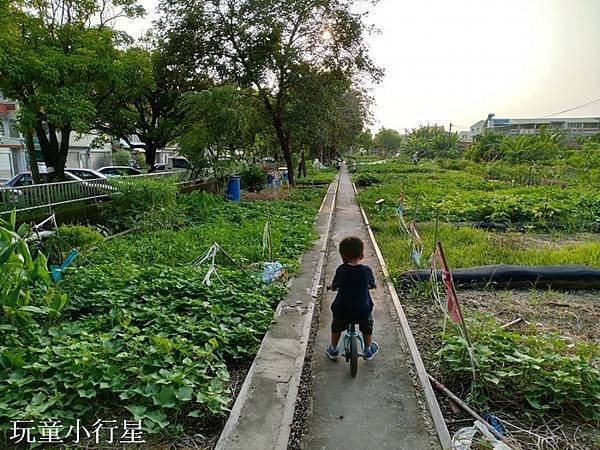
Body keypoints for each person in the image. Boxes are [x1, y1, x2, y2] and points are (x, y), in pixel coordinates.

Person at [327, 236, 379, 361]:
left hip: (342, 310)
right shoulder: (366, 270)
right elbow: (372, 285)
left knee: (337, 325)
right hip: (362, 310)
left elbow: (335, 286)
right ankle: (367, 350)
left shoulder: (341, 270)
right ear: (361, 256)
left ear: (343, 256)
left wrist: (332, 288)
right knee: (367, 324)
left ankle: (333, 349)